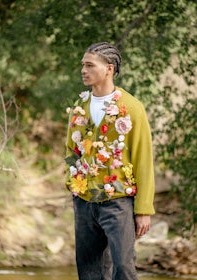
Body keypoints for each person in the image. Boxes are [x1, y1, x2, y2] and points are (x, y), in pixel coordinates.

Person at [65, 42, 155, 280]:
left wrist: (143, 209)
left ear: (109, 69)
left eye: (89, 65)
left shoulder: (132, 108)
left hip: (118, 202)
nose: (83, 70)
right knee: (89, 270)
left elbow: (143, 159)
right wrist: (72, 184)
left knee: (123, 268)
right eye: (82, 65)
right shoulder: (79, 108)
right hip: (84, 202)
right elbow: (71, 151)